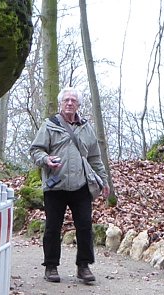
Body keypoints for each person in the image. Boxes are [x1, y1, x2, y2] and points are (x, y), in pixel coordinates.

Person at [30, 88, 107, 284]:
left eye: (73, 100)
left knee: (85, 226)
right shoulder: (50, 125)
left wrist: (103, 180)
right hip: (55, 185)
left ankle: (84, 266)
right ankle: (51, 266)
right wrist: (46, 159)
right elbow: (36, 150)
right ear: (61, 103)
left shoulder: (86, 128)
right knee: (52, 227)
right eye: (66, 100)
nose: (70, 103)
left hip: (81, 184)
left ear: (78, 104)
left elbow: (95, 158)